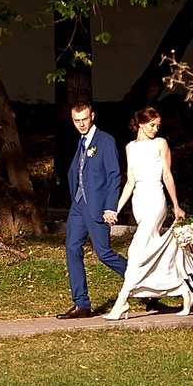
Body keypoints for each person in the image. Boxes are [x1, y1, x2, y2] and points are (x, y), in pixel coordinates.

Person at [103, 105, 193, 318]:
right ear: (141, 124)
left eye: (158, 125)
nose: (156, 129)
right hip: (139, 201)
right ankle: (185, 292)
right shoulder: (130, 147)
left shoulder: (160, 144)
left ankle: (122, 301)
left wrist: (176, 205)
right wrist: (115, 210)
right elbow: (130, 182)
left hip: (155, 198)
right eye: (152, 125)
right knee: (152, 251)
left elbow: (167, 176)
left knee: (136, 252)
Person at [59, 100, 125, 318]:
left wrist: (110, 207)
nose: (81, 124)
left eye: (84, 119)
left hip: (97, 206)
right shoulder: (80, 142)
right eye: (76, 121)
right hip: (78, 205)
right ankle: (82, 303)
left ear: (92, 116)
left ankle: (143, 280)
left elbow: (114, 175)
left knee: (104, 253)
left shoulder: (105, 141)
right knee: (71, 248)